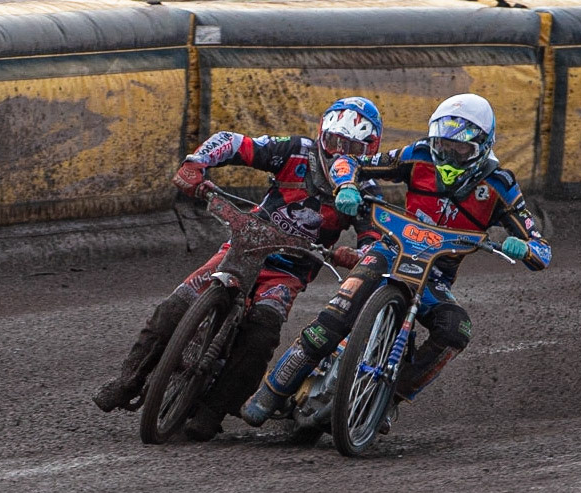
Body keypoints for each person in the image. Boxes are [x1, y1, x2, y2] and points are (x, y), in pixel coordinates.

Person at [242, 93, 552, 432]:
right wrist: (346, 185)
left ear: (481, 147)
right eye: (442, 145)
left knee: (456, 329)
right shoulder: (417, 155)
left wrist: (524, 248)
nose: (447, 154)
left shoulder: (500, 185)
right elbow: (350, 162)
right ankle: (271, 392)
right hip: (389, 252)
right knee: (332, 321)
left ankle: (390, 398)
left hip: (434, 278)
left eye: (459, 149)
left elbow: (541, 248)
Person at [93, 96, 384, 441]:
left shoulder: (364, 190)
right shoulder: (294, 151)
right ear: (323, 134)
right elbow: (235, 143)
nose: (339, 153)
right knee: (176, 304)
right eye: (335, 142)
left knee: (262, 331)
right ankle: (128, 382)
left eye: (351, 147)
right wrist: (196, 163)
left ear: (369, 151)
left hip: (288, 271)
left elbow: (375, 237)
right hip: (243, 246)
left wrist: (361, 254)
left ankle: (215, 409)